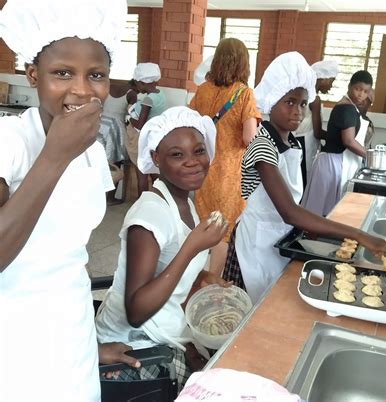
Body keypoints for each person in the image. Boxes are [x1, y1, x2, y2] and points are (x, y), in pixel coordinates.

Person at [0, 0, 126, 400]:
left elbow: (69, 258)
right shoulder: (11, 142)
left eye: (97, 75)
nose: (82, 90)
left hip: (72, 334)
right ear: (32, 74)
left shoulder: (90, 147)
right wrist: (55, 154)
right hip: (17, 344)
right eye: (62, 73)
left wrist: (92, 346)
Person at [221, 53, 386, 304]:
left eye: (303, 103)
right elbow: (290, 212)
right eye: (289, 102)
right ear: (271, 102)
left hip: (279, 237)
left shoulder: (290, 142)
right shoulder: (262, 146)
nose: (298, 111)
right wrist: (359, 235)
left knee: (272, 303)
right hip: (256, 243)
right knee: (250, 311)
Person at [95, 106, 231, 389]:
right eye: (177, 154)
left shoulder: (184, 203)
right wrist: (193, 247)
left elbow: (173, 273)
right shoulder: (150, 215)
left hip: (162, 326)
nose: (193, 162)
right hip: (132, 342)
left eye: (198, 150)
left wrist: (203, 279)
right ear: (156, 158)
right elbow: (136, 312)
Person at [189, 38, 261, 277]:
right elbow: (250, 138)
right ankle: (212, 281)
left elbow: (189, 124)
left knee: (205, 223)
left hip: (203, 169)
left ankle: (195, 276)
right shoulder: (244, 94)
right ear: (243, 63)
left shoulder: (203, 90)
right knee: (223, 232)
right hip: (230, 174)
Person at [302, 70, 373, 217]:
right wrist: (371, 157)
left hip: (335, 162)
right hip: (331, 164)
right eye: (358, 89)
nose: (361, 94)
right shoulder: (346, 109)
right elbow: (348, 141)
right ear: (349, 86)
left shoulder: (351, 107)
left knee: (324, 210)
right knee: (318, 212)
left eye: (365, 91)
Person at [125, 62, 167, 196]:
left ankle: (141, 204)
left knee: (142, 173)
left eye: (137, 83)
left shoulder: (148, 99)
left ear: (142, 82)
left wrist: (128, 118)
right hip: (155, 138)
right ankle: (159, 199)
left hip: (144, 139)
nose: (137, 86)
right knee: (154, 172)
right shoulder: (160, 94)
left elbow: (140, 124)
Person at [295, 60, 339, 176]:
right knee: (305, 179)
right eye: (331, 81)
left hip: (297, 142)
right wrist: (339, 138)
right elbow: (318, 133)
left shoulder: (303, 92)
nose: (331, 86)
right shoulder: (315, 99)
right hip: (305, 144)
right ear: (323, 78)